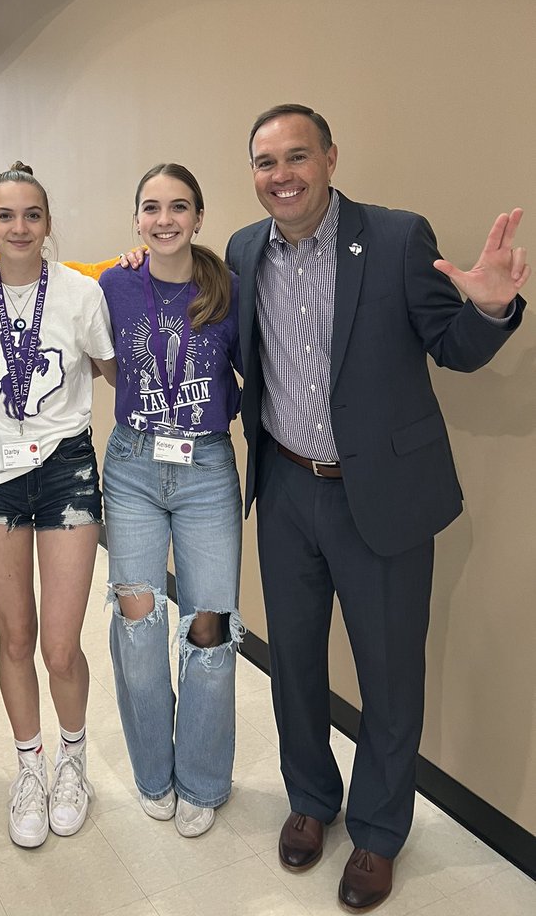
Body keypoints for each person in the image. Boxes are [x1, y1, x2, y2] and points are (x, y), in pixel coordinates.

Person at [225, 104, 528, 911]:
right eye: (265, 162)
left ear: (330, 158)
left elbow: (451, 347)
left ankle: (380, 831)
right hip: (286, 488)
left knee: (390, 674)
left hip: (381, 496)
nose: (282, 175)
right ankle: (310, 799)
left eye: (297, 156)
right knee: (293, 661)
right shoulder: (245, 249)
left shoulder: (394, 238)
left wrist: (489, 308)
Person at [0, 163, 116, 849]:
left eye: (33, 215)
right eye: (6, 216)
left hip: (66, 472)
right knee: (15, 637)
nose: (20, 228)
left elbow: (115, 370)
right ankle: (30, 769)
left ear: (48, 223)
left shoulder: (80, 293)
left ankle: (73, 763)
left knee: (60, 646)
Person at [100, 164, 244, 839]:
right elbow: (104, 361)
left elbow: (252, 372)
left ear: (198, 216)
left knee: (208, 626)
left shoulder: (227, 289)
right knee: (138, 623)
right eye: (152, 207)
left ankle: (204, 778)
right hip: (133, 466)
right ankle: (153, 771)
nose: (165, 220)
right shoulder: (115, 284)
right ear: (137, 219)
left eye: (179, 207)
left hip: (206, 469)